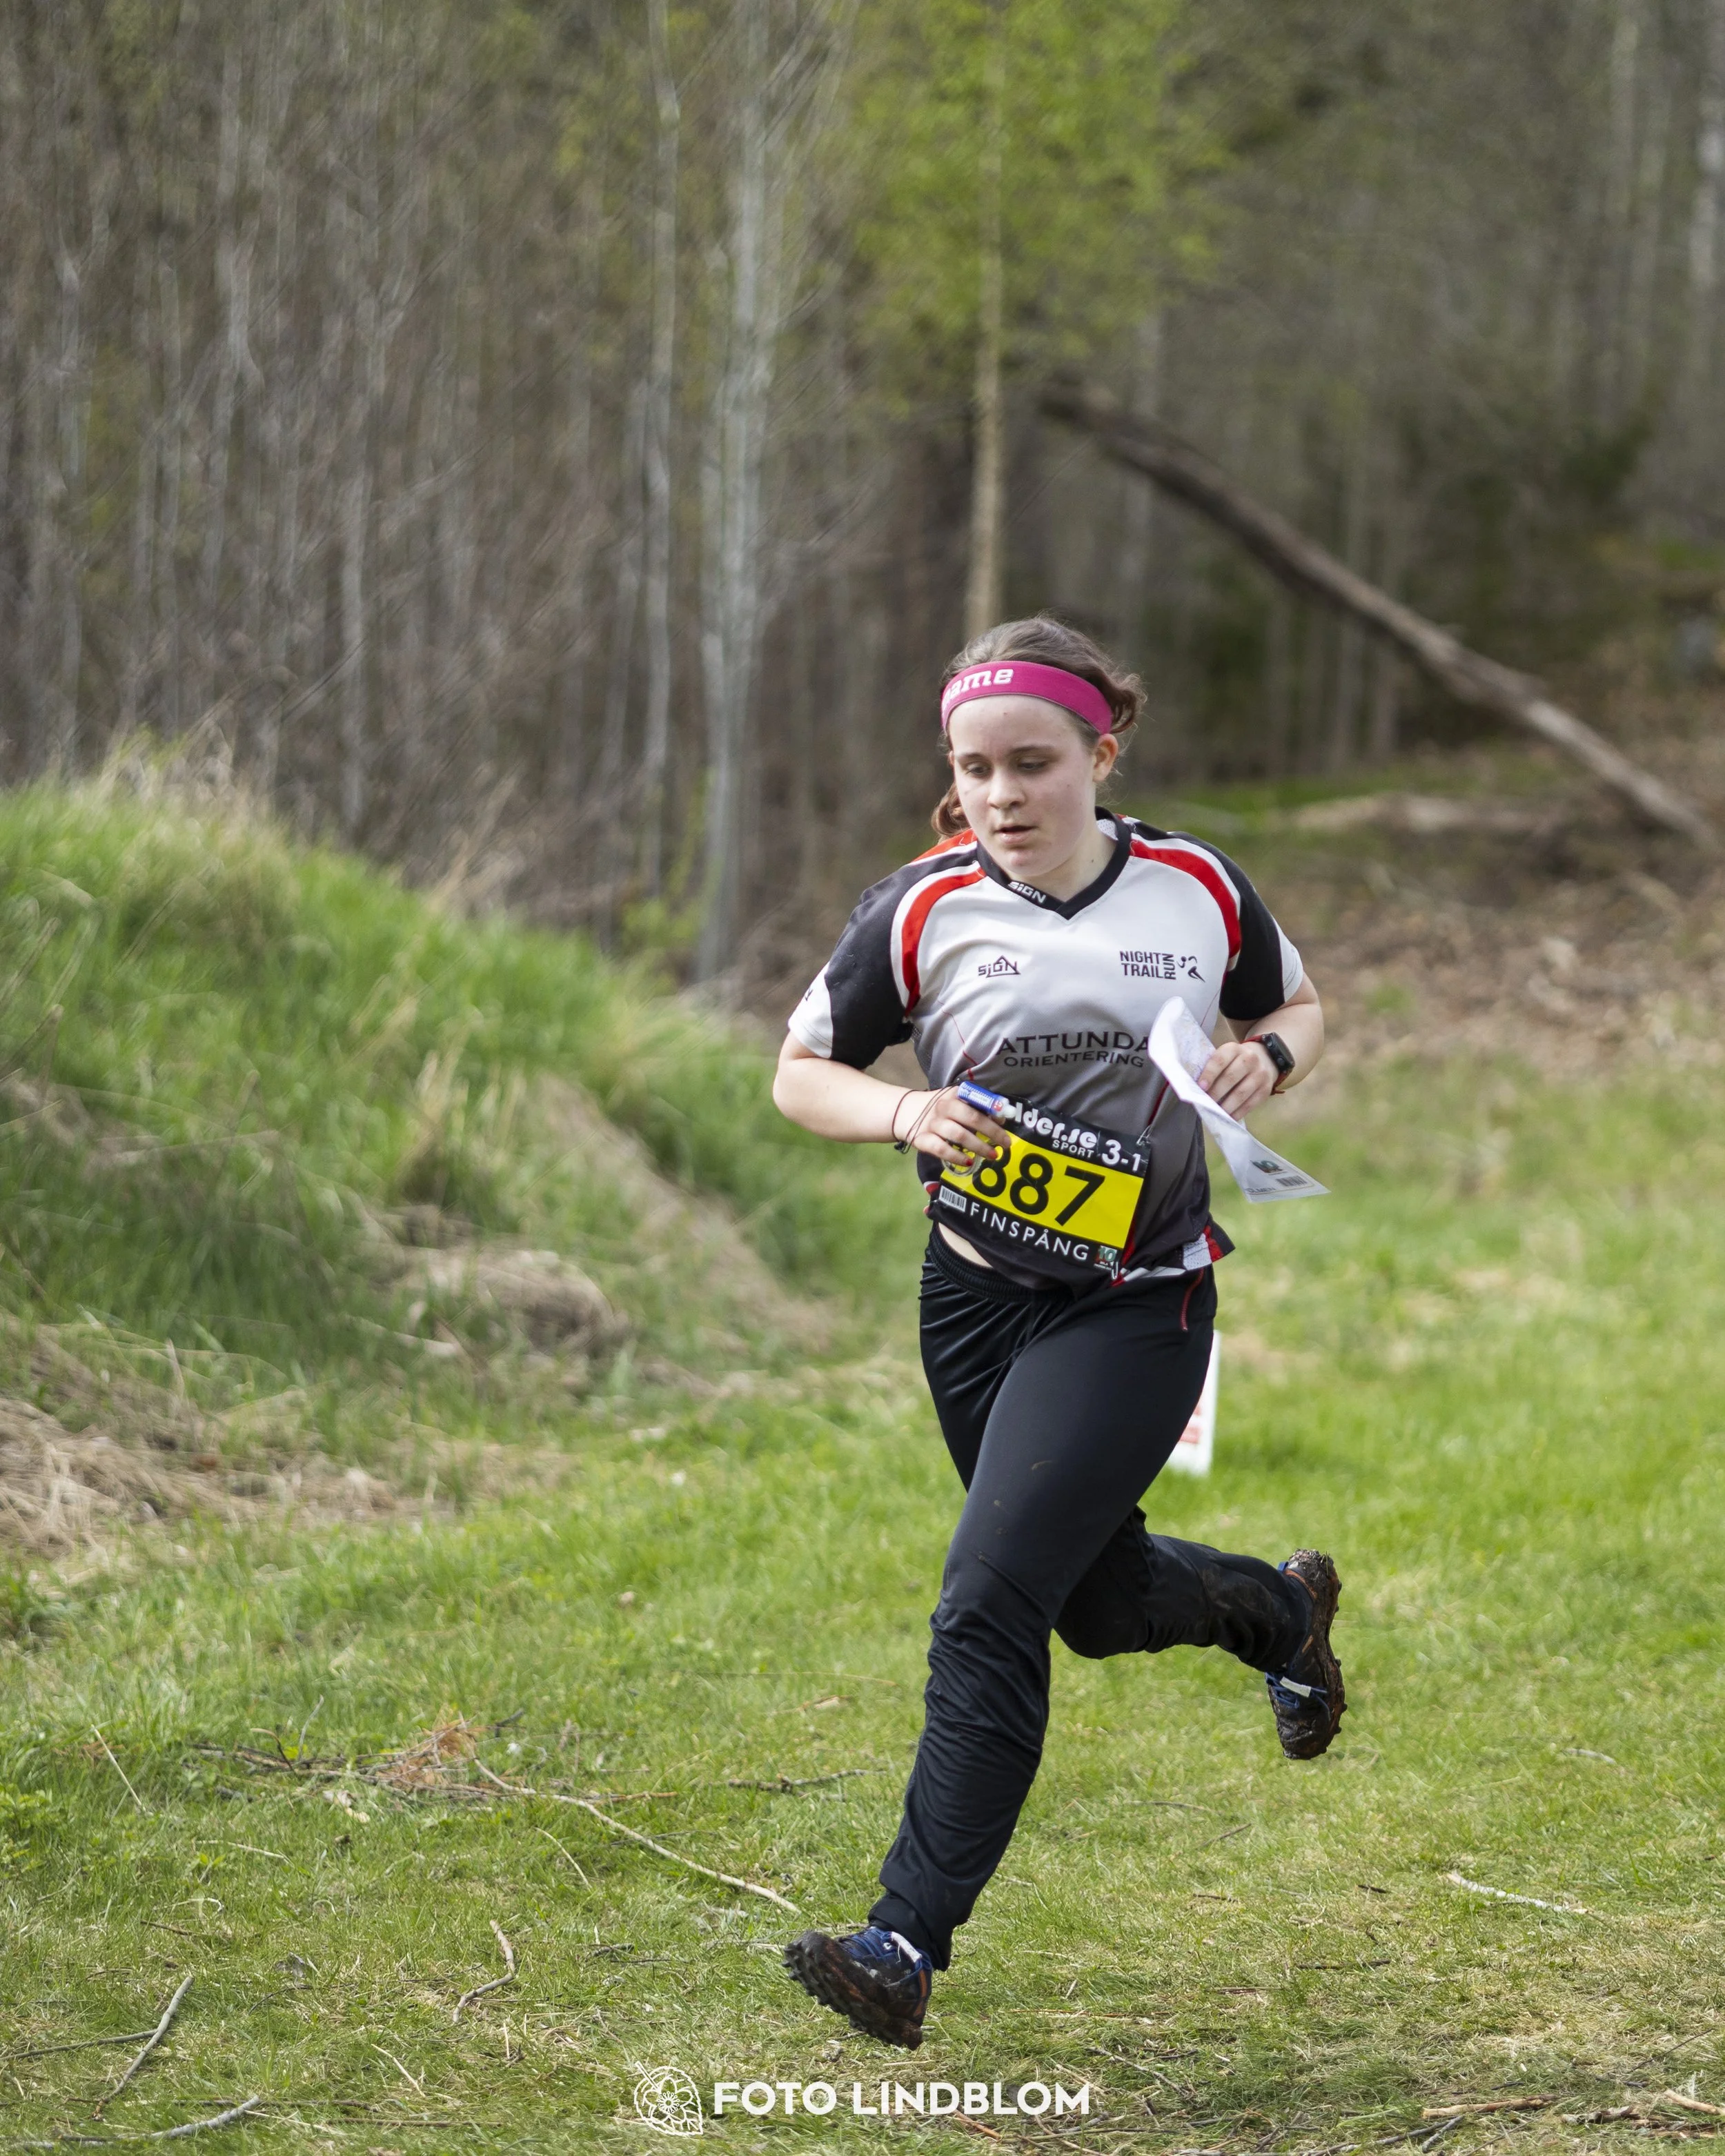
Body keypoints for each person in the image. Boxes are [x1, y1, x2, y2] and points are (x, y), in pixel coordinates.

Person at [771, 616, 1344, 2050]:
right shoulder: (916, 910)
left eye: (1031, 762)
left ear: (1100, 752)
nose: (1002, 794)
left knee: (985, 1596)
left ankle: (900, 1939)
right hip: (971, 1300)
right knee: (1088, 1607)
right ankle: (1275, 1613)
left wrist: (1263, 1053)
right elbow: (798, 1073)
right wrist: (900, 1108)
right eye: (974, 769)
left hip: (1137, 1303)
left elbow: (1299, 1001)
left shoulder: (1193, 886)